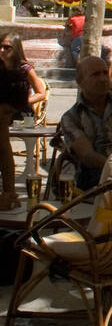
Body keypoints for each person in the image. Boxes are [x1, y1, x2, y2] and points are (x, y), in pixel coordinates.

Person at [58, 57, 112, 191]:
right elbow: (87, 156)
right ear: (80, 82)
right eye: (95, 75)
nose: (102, 79)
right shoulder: (71, 118)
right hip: (94, 182)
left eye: (105, 73)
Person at [0, 33, 47, 209]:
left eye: (7, 47)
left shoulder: (24, 69)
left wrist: (9, 192)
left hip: (23, 111)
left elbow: (5, 155)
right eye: (1, 46)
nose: (2, 51)